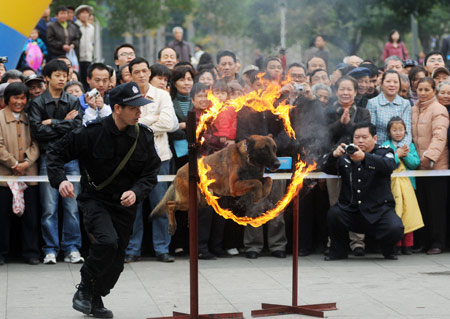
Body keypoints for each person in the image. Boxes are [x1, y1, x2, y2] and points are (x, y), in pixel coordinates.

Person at [46, 81, 160, 317]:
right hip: (95, 200)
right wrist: (61, 180)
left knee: (117, 261)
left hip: (125, 205)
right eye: (134, 108)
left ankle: (95, 298)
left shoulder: (144, 137)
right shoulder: (91, 133)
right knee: (107, 242)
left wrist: (137, 191)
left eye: (141, 107)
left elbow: (150, 173)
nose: (140, 112)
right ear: (117, 108)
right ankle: (85, 287)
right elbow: (55, 153)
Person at [27, 60, 83, 265]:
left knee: (72, 207)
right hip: (48, 158)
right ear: (47, 77)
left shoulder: (72, 100)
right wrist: (64, 124)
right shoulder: (38, 103)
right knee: (49, 208)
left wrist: (52, 122)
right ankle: (50, 248)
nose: (62, 78)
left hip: (71, 158)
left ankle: (72, 247)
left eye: (64, 74)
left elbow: (77, 128)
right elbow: (37, 132)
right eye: (57, 75)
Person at [322, 122, 404, 260]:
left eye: (364, 137)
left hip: (379, 210)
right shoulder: (346, 153)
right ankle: (338, 251)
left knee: (395, 228)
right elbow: (325, 167)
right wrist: (333, 156)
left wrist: (365, 158)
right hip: (351, 209)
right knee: (334, 214)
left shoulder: (384, 151)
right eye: (357, 137)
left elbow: (389, 165)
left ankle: (388, 250)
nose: (360, 141)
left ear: (375, 138)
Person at [125, 57, 178, 263]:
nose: (141, 75)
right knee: (133, 206)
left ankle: (162, 248)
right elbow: (127, 125)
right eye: (136, 72)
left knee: (160, 205)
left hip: (160, 158)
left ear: (149, 72)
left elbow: (168, 123)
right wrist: (150, 120)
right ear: (130, 74)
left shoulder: (162, 95)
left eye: (144, 71)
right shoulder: (127, 95)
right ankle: (132, 249)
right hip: (132, 160)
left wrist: (141, 124)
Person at [325, 76, 371, 255]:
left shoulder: (362, 112)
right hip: (335, 162)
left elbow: (364, 134)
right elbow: (324, 134)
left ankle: (357, 242)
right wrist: (340, 123)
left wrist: (349, 124)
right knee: (334, 203)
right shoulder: (329, 111)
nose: (345, 92)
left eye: (349, 89)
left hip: (356, 162)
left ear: (355, 92)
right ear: (336, 92)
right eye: (342, 89)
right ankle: (335, 243)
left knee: (356, 201)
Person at [0, 83, 40, 266]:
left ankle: (31, 252)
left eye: (23, 98)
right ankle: (2, 252)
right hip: (5, 176)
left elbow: (36, 144)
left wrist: (26, 162)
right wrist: (14, 164)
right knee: (3, 217)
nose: (19, 101)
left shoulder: (29, 117)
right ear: (7, 99)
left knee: (30, 217)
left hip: (28, 175)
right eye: (15, 97)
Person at [412, 77, 449, 255]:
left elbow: (439, 137)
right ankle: (423, 242)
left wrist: (429, 157)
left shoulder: (439, 110)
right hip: (418, 167)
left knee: (436, 207)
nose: (423, 93)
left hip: (436, 167)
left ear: (434, 90)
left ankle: (438, 242)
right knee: (422, 205)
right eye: (420, 89)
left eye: (427, 89)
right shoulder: (414, 109)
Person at [382, 117, 422, 255]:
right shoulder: (386, 146)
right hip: (392, 186)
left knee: (409, 214)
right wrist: (397, 155)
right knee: (395, 214)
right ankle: (396, 244)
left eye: (401, 130)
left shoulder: (410, 145)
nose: (398, 133)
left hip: (409, 186)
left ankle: (408, 245)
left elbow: (415, 163)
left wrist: (405, 155)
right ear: (389, 132)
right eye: (394, 130)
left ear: (405, 131)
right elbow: (387, 163)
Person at [366, 70, 412, 146]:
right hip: (379, 149)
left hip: (401, 150)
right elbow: (371, 132)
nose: (392, 85)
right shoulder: (372, 103)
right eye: (388, 81)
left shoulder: (405, 104)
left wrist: (399, 149)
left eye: (395, 82)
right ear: (381, 83)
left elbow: (407, 132)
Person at [74, 5, 95, 90]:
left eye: (86, 12)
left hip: (88, 57)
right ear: (78, 15)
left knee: (87, 77)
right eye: (82, 12)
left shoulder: (91, 27)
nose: (84, 15)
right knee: (79, 77)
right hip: (77, 57)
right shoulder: (75, 26)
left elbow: (91, 41)